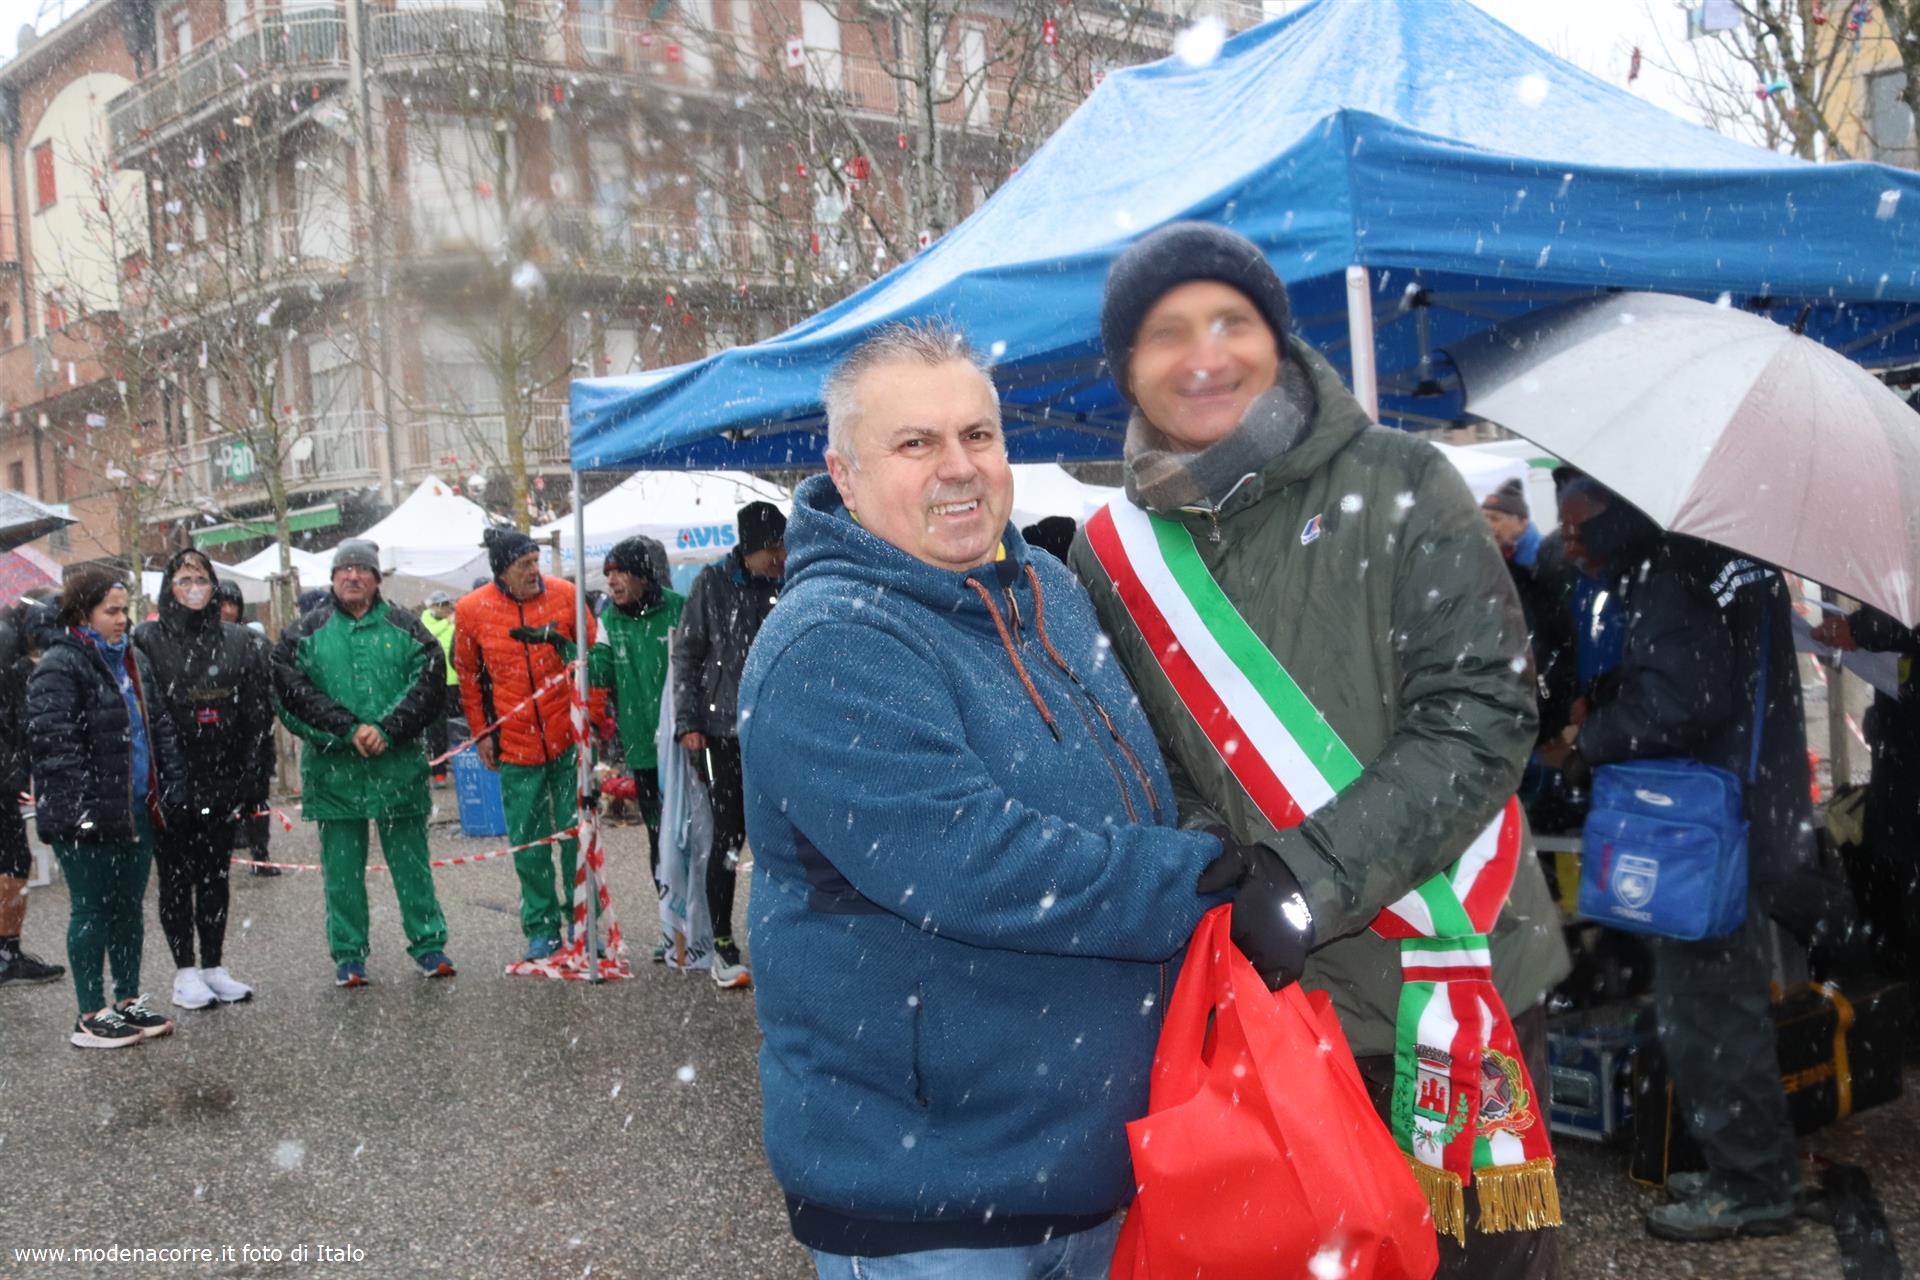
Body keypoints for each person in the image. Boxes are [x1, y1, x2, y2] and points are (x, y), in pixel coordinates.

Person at [1069, 222, 1569, 1275]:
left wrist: (1306, 876)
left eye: (1230, 321)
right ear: (1126, 367)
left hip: (1452, 976)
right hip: (1270, 1001)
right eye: (1166, 333)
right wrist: (1210, 857)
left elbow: (1482, 710)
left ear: (1278, 336)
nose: (1204, 355)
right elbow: (1146, 759)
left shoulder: (1403, 479)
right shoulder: (1110, 554)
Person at [738, 321, 1235, 1273]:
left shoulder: (1047, 587)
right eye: (915, 443)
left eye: (978, 435)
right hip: (935, 1198)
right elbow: (975, 863)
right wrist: (1204, 878)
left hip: (1101, 1165)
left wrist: (1215, 834)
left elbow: (1145, 780)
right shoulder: (828, 642)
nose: (959, 467)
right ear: (844, 476)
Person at [1538, 479, 1803, 1241]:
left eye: (1581, 527)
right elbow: (1704, 675)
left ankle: (1751, 1184)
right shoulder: (1719, 554)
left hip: (1709, 833)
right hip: (1747, 813)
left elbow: (1683, 702)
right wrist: (1617, 688)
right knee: (1726, 1004)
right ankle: (1757, 1167)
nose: (1571, 545)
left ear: (1624, 513)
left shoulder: (1672, 570)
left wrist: (1588, 738)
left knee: (1707, 1012)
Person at [273, 540, 455, 986]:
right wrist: (344, 732)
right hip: (334, 774)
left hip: (398, 770)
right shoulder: (303, 635)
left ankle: (429, 945)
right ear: (332, 578)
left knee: (412, 866)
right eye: (344, 569)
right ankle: (349, 954)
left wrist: (389, 728)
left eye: (362, 568)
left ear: (376, 579)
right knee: (342, 874)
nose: (352, 575)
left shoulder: (409, 630)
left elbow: (429, 687)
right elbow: (290, 698)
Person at [27, 566, 186, 1047]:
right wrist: (82, 812)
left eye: (124, 610)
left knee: (128, 909)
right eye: (110, 611)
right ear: (83, 613)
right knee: (91, 909)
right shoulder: (60, 665)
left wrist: (171, 787)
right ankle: (90, 1012)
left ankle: (127, 999)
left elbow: (158, 729)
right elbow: (56, 747)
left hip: (135, 807)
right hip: (88, 814)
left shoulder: (133, 660)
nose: (121, 619)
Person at [134, 551, 275, 1009]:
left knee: (216, 874)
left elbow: (257, 711)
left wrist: (251, 776)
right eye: (183, 579)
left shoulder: (239, 640)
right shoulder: (147, 639)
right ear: (168, 586)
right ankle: (185, 970)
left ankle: (214, 964)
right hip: (171, 777)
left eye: (200, 579)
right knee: (176, 877)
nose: (193, 587)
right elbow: (147, 711)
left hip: (223, 777)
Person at [454, 528, 600, 963]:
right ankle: (541, 927)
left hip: (568, 735)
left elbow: (595, 657)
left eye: (536, 561)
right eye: (525, 564)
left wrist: (592, 716)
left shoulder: (566, 595)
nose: (535, 570)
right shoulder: (471, 609)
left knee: (577, 833)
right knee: (529, 841)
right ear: (502, 571)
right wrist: (481, 733)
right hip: (515, 742)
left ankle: (583, 920)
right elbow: (468, 678)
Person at [673, 500, 785, 989]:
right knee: (728, 836)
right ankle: (721, 942)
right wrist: (688, 722)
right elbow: (686, 655)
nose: (780, 556)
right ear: (750, 548)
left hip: (780, 730)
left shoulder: (790, 581)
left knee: (784, 838)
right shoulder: (712, 584)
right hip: (723, 732)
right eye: (772, 548)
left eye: (784, 546)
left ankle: (780, 938)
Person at [586, 535, 684, 960]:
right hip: (643, 749)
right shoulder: (611, 619)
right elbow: (600, 671)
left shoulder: (680, 608)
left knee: (693, 837)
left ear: (643, 575)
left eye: (620, 572)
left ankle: (703, 926)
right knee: (659, 837)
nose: (612, 582)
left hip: (686, 745)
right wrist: (566, 649)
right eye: (607, 574)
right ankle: (670, 928)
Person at [1812, 605, 1920, 984]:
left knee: (1897, 874)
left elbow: (1906, 616)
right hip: (1898, 755)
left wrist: (1858, 629)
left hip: (1904, 775)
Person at [0, 601, 64, 987]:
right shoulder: (11, 649)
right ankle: (6, 953)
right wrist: (13, 776)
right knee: (12, 859)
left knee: (12, 857)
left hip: (7, 771)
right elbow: (15, 720)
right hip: (4, 775)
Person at [215, 580, 281, 877]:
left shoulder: (255, 642)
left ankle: (260, 854)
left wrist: (269, 712)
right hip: (216, 737)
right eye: (222, 603)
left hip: (255, 734)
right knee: (220, 800)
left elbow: (275, 681)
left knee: (257, 796)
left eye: (233, 604)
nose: (227, 610)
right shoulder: (201, 643)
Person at [1482, 478, 1545, 635]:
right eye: (1484, 518)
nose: (1487, 525)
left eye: (1495, 518)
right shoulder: (1494, 556)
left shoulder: (1544, 560)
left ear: (1522, 523)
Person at [419, 590, 459, 785]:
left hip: (457, 682)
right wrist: (448, 623)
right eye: (440, 605)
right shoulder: (425, 621)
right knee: (437, 730)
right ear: (432, 607)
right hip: (436, 683)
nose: (445, 608)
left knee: (461, 727)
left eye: (447, 604)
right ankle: (438, 772)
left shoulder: (454, 621)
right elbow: (429, 635)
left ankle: (465, 768)